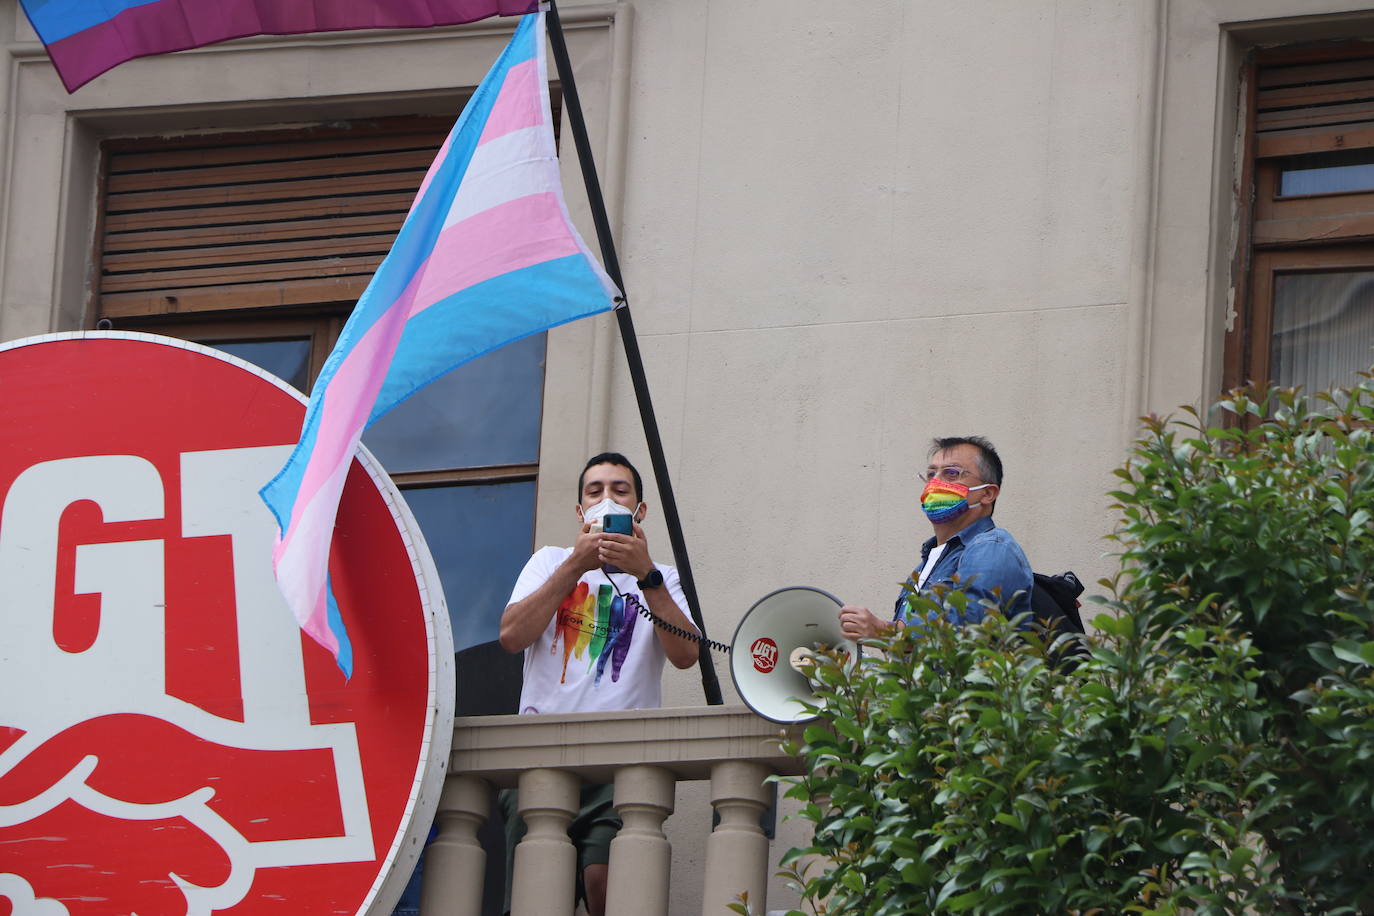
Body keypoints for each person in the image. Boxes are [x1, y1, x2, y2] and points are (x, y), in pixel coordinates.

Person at [497, 452, 699, 916]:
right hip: (542, 752)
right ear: (579, 510)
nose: (606, 498)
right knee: (535, 893)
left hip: (620, 759)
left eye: (619, 490)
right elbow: (511, 636)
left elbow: (687, 655)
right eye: (595, 491)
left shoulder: (661, 578)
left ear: (640, 511)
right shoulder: (548, 561)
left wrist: (645, 576)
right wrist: (575, 565)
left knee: (607, 885)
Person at [838, 436, 1033, 640]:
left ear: (987, 494)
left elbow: (967, 637)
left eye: (951, 473)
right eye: (931, 474)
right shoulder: (927, 563)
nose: (935, 482)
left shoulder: (991, 547)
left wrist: (883, 632)